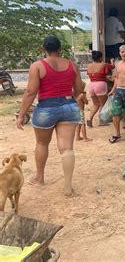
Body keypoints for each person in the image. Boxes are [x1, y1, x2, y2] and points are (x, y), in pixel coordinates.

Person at [16, 35, 82, 196]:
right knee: (66, 148)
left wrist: (21, 114)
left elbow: (31, 91)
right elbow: (79, 90)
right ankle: (68, 187)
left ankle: (39, 177)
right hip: (69, 106)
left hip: (46, 108)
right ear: (60, 49)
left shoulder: (37, 66)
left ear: (43, 49)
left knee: (42, 143)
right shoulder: (72, 65)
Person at [86, 50, 114, 127]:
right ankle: (101, 121)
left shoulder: (89, 66)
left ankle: (90, 120)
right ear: (100, 57)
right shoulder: (104, 64)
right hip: (100, 84)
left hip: (91, 85)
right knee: (102, 104)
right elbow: (112, 66)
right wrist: (112, 61)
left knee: (95, 104)